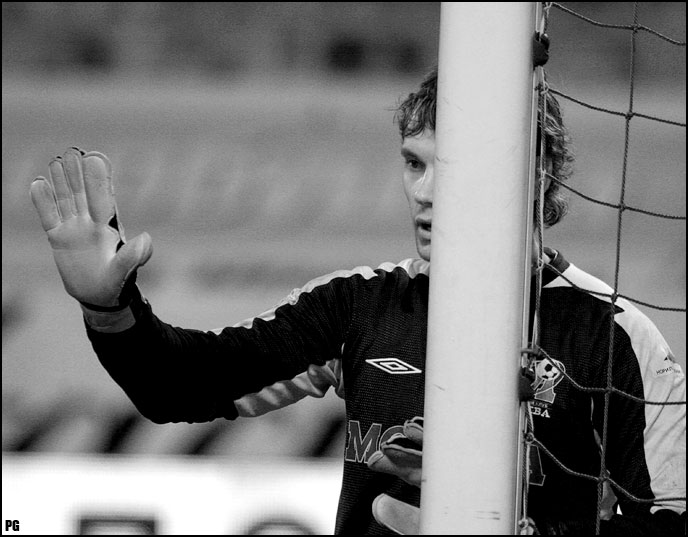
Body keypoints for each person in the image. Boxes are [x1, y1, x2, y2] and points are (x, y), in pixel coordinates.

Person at [30, 67, 685, 535]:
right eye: (413, 162)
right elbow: (182, 386)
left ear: (533, 172)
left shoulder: (617, 337)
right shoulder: (356, 307)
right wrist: (111, 311)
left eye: (450, 165)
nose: (424, 193)